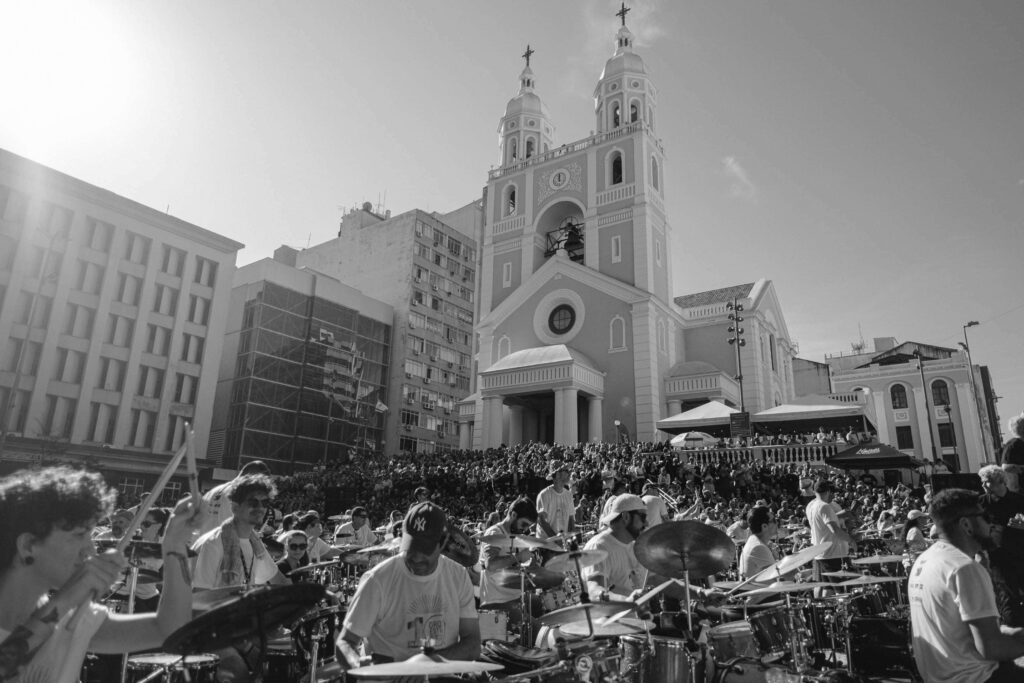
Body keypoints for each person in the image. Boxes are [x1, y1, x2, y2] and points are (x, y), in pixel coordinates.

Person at [0, 466, 200, 683]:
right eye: (78, 535)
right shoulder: (67, 611)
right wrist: (65, 599)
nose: (91, 550)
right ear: (28, 545)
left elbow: (170, 630)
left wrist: (175, 543)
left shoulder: (74, 619)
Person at [334, 501, 480, 669]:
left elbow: (472, 644)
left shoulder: (458, 576)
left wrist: (427, 663)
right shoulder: (377, 579)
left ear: (443, 543)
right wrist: (359, 665)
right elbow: (345, 643)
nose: (416, 558)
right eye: (411, 548)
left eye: (424, 550)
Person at [908, 488, 1024, 682]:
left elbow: (959, 631)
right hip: (977, 677)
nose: (991, 524)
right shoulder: (964, 568)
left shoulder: (926, 559)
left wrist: (1013, 632)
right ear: (966, 524)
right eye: (985, 517)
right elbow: (991, 647)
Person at [192, 473, 288, 682]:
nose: (260, 507)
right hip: (211, 631)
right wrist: (243, 643)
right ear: (235, 507)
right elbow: (199, 601)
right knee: (240, 671)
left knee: (289, 653)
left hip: (240, 627)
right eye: (253, 502)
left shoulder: (254, 543)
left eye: (264, 503)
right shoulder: (214, 543)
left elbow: (278, 581)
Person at [478, 497, 542, 626]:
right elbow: (491, 564)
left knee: (544, 606)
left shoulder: (517, 536)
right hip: (497, 601)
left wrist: (533, 565)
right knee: (537, 630)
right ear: (513, 515)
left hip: (515, 596)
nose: (524, 529)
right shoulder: (494, 532)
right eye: (523, 524)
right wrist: (518, 557)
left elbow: (521, 567)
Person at [978, 464, 1024, 627]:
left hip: (1020, 553)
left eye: (986, 482)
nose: (983, 485)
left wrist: (1016, 526)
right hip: (998, 558)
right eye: (982, 482)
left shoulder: (1018, 500)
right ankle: (1016, 636)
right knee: (1008, 597)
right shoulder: (981, 503)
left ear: (1000, 481)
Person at [582, 494, 648, 602]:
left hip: (639, 616)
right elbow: (594, 591)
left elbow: (654, 580)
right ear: (626, 516)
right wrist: (627, 602)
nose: (646, 523)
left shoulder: (634, 545)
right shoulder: (598, 547)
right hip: (614, 618)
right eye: (643, 517)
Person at [198, 460, 272, 536]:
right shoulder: (241, 493)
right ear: (253, 478)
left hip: (202, 542)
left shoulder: (212, 491)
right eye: (261, 482)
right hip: (225, 544)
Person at [806, 480, 856, 579]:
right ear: (828, 492)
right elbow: (835, 530)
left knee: (826, 588)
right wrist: (851, 540)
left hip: (820, 553)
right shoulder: (824, 506)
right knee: (841, 591)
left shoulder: (810, 506)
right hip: (833, 554)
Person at [536, 462, 576, 540]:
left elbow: (571, 520)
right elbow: (542, 521)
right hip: (546, 545)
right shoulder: (544, 494)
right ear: (557, 474)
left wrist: (572, 540)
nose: (569, 473)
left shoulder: (568, 495)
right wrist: (556, 540)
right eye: (566, 471)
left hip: (561, 544)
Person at [739, 506, 779, 579]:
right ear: (764, 526)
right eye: (774, 520)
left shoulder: (755, 541)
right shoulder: (758, 547)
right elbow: (777, 578)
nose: (777, 522)